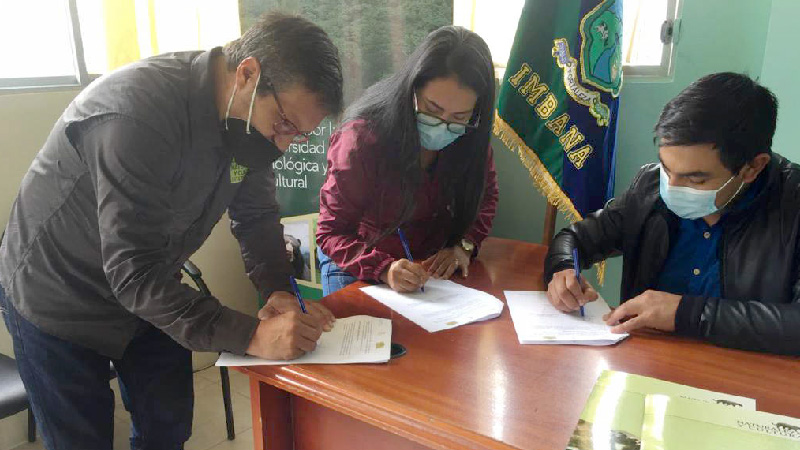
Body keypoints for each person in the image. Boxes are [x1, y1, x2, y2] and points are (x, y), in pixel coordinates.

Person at [0, 13, 340, 449]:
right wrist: (251, 335)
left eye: (300, 135)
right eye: (285, 124)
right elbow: (133, 272)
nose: (284, 144)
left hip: (147, 289)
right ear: (247, 74)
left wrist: (277, 289)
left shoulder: (248, 130)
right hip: (57, 295)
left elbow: (255, 216)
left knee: (168, 426)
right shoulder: (138, 115)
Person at [544, 72, 800, 356]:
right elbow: (576, 238)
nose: (672, 187)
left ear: (752, 168)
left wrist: (686, 313)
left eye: (696, 179)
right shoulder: (650, 186)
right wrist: (563, 269)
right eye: (666, 169)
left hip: (745, 371)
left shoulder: (792, 204)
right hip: (646, 361)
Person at [316, 26, 499, 296]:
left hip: (428, 265)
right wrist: (384, 268)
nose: (442, 125)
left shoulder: (470, 138)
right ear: (411, 90)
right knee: (363, 324)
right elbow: (331, 232)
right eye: (432, 109)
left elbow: (486, 197)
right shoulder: (361, 138)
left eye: (459, 117)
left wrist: (464, 245)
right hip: (356, 260)